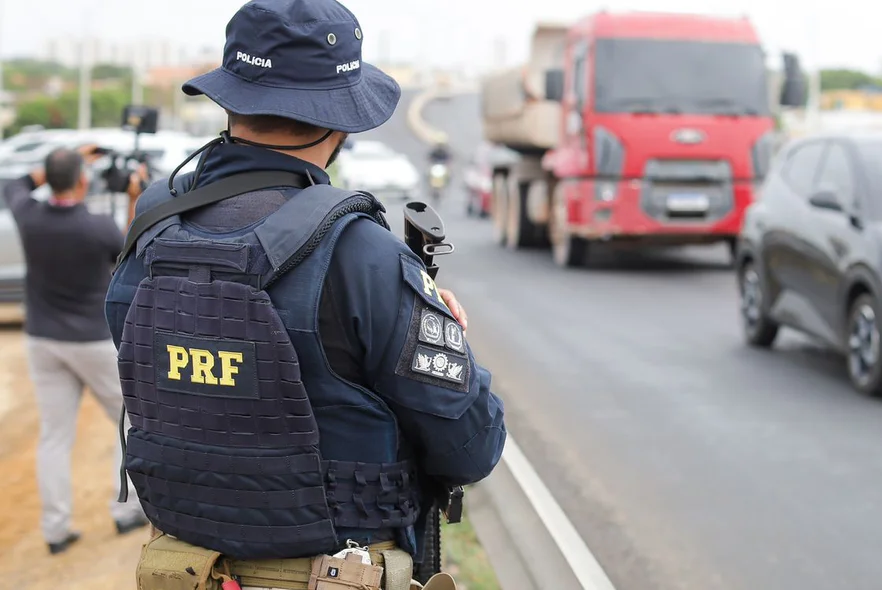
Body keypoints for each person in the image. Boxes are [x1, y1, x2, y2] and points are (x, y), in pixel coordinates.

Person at [105, 1, 506, 588]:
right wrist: (448, 342)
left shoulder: (152, 234)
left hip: (183, 571)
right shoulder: (362, 254)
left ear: (231, 100)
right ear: (339, 121)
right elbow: (471, 446)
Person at [2, 144, 150, 555]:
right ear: (83, 180)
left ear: (48, 180)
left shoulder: (28, 215)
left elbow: (16, 184)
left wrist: (61, 162)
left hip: (42, 340)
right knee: (127, 424)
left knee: (54, 436)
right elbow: (129, 254)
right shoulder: (96, 226)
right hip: (92, 340)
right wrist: (135, 197)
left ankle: (55, 530)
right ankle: (125, 512)